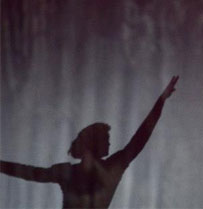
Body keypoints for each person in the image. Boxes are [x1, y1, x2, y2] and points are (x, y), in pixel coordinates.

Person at [1, 76, 179, 208]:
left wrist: (161, 101)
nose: (109, 144)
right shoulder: (69, 172)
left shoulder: (112, 166)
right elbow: (29, 172)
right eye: (106, 139)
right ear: (92, 143)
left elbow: (141, 138)